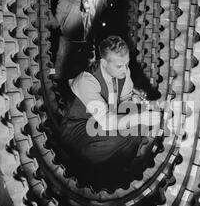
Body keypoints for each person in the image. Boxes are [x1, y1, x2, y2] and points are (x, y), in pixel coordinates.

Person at [61, 36, 160, 190]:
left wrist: (136, 101)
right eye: (119, 66)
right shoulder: (86, 80)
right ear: (104, 62)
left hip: (103, 123)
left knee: (137, 129)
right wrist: (140, 117)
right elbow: (106, 121)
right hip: (78, 129)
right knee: (118, 137)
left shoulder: (123, 71)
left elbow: (125, 100)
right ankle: (89, 173)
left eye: (126, 64)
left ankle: (118, 169)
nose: (124, 69)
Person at [52, 0, 131, 80]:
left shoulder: (96, 0)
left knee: (87, 83)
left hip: (88, 50)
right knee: (63, 83)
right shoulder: (65, 1)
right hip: (68, 50)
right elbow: (55, 24)